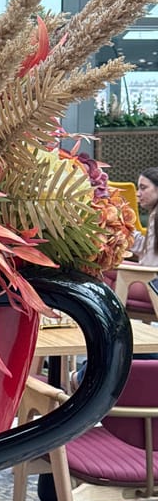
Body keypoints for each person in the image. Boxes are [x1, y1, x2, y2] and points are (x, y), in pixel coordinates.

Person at [71, 167, 158, 390]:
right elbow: (144, 248)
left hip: (151, 282)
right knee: (107, 266)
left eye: (144, 188)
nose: (139, 193)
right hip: (148, 276)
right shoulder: (154, 216)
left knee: (103, 268)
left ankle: (104, 315)